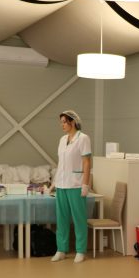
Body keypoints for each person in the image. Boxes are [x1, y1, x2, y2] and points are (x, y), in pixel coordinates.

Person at [51, 110, 92, 264]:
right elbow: (61, 163)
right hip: (61, 184)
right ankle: (61, 250)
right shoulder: (62, 140)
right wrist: (54, 182)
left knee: (79, 219)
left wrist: (85, 184)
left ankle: (81, 251)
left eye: (64, 122)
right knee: (61, 219)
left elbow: (87, 162)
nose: (62, 125)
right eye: (61, 122)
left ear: (72, 122)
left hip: (76, 184)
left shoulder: (83, 138)